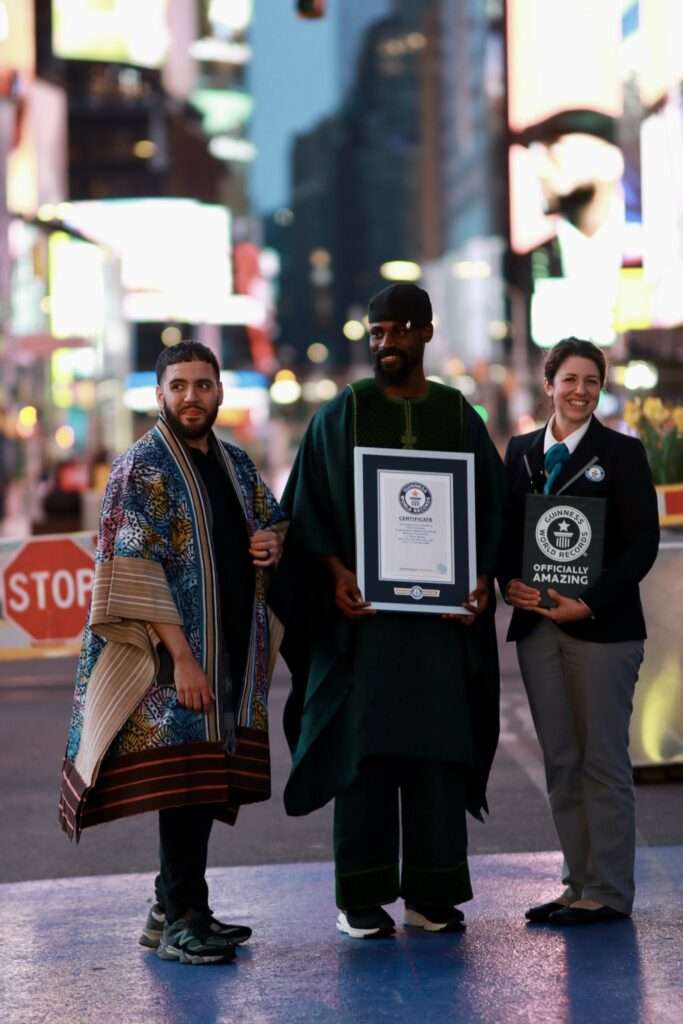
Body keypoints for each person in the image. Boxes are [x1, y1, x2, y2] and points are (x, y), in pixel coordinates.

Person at [277, 283, 505, 938]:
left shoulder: (457, 416)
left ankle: (432, 896)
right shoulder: (340, 415)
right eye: (375, 332)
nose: (385, 343)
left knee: (437, 756)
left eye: (399, 329)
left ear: (427, 333)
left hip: (437, 631)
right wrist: (334, 571)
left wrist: (481, 580)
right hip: (366, 630)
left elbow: (490, 510)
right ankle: (362, 896)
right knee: (365, 756)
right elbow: (306, 508)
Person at [59, 341, 286, 964]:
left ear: (219, 392)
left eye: (203, 385)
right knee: (185, 779)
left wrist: (269, 541)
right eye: (179, 385)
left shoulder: (235, 463)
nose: (192, 396)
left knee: (206, 776)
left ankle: (175, 907)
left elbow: (274, 518)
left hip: (230, 649)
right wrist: (183, 659)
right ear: (160, 394)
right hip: (172, 655)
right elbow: (133, 568)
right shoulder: (143, 467)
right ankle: (183, 918)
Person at [500, 337, 659, 925]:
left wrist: (587, 603)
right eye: (569, 379)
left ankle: (610, 890)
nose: (580, 390)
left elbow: (641, 546)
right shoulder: (518, 452)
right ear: (549, 385)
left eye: (591, 380)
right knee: (562, 760)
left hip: (604, 630)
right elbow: (503, 534)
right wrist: (506, 584)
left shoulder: (623, 453)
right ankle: (577, 881)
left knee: (603, 761)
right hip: (539, 628)